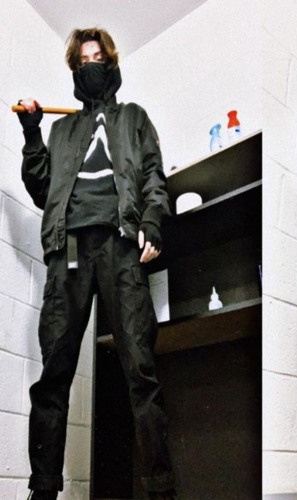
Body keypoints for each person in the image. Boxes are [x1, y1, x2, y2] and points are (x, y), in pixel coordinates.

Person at [17, 28, 176, 500]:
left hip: (120, 243)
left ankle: (160, 491)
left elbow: (153, 177)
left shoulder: (133, 119)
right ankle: (43, 489)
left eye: (97, 57)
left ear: (111, 64)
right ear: (75, 69)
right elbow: (42, 189)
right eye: (83, 60)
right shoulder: (62, 129)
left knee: (140, 370)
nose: (91, 65)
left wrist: (153, 221)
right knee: (54, 373)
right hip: (68, 248)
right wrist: (32, 132)